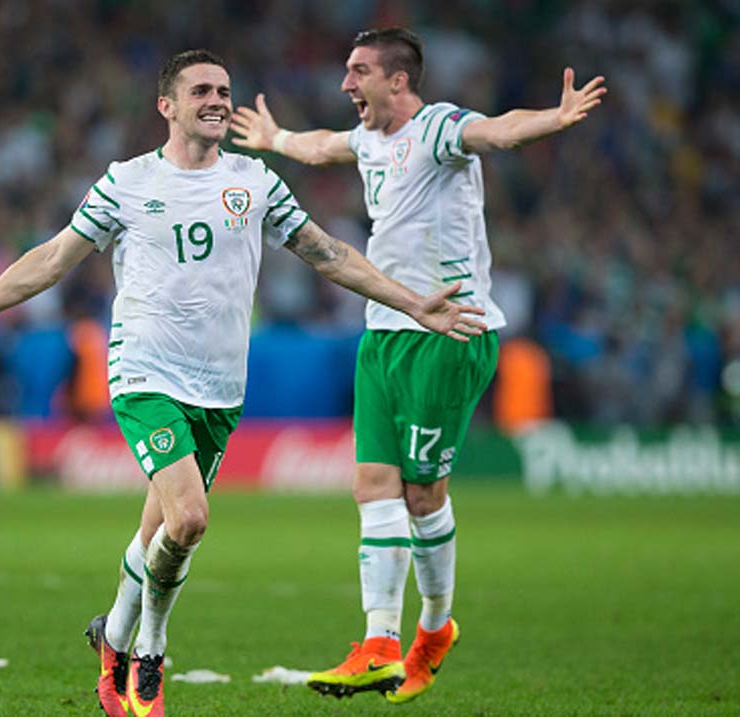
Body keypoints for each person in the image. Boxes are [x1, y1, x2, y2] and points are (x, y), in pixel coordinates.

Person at [0, 49, 486, 717]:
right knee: (190, 517)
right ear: (167, 106)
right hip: (144, 372)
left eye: (224, 90)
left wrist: (412, 304)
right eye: (201, 90)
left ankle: (112, 640)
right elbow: (54, 257)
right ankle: (150, 653)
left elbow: (328, 253)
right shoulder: (127, 181)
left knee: (159, 531)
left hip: (219, 388)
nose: (216, 100)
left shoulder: (255, 182)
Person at [231, 27, 606, 704]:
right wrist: (275, 137)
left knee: (423, 494)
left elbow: (496, 132)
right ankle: (378, 644)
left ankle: (433, 629)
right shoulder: (367, 139)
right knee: (372, 483)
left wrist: (552, 119)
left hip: (449, 330)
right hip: (384, 329)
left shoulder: (436, 128)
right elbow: (322, 146)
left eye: (359, 72)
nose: (346, 83)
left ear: (398, 80)